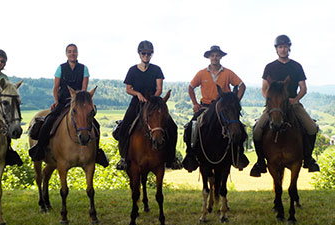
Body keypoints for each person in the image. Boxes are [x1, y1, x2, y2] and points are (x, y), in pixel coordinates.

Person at [250, 35, 320, 177]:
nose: (283, 49)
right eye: (280, 47)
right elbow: (264, 88)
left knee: (312, 128)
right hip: (274, 106)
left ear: (289, 48)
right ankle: (260, 162)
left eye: (285, 47)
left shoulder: (296, 66)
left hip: (292, 104)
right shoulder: (269, 67)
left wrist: (295, 99)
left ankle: (308, 158)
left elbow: (303, 88)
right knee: (257, 130)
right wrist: (271, 102)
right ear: (276, 49)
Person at [29, 43, 109, 167]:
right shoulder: (60, 68)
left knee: (96, 125)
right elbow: (56, 88)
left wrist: (80, 101)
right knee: (48, 121)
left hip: (78, 103)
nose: (72, 53)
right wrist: (56, 101)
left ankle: (96, 152)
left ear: (77, 53)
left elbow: (84, 89)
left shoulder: (84, 68)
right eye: (70, 51)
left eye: (74, 51)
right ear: (66, 54)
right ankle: (40, 148)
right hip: (63, 102)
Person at [115, 40, 182, 171]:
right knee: (123, 127)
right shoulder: (132, 70)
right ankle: (123, 158)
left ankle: (172, 158)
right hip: (137, 103)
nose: (146, 56)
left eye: (149, 54)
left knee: (172, 127)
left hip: (154, 103)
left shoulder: (156, 70)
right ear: (139, 54)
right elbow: (128, 89)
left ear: (151, 55)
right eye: (144, 53)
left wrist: (153, 100)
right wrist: (137, 94)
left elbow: (159, 88)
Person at [182, 45, 249, 172]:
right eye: (212, 55)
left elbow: (242, 86)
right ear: (209, 57)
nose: (215, 58)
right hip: (206, 107)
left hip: (224, 108)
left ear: (221, 57)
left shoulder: (228, 73)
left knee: (239, 127)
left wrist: (234, 102)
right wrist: (195, 103)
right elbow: (191, 87)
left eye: (217, 55)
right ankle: (191, 155)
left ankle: (238, 154)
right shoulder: (201, 73)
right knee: (192, 126)